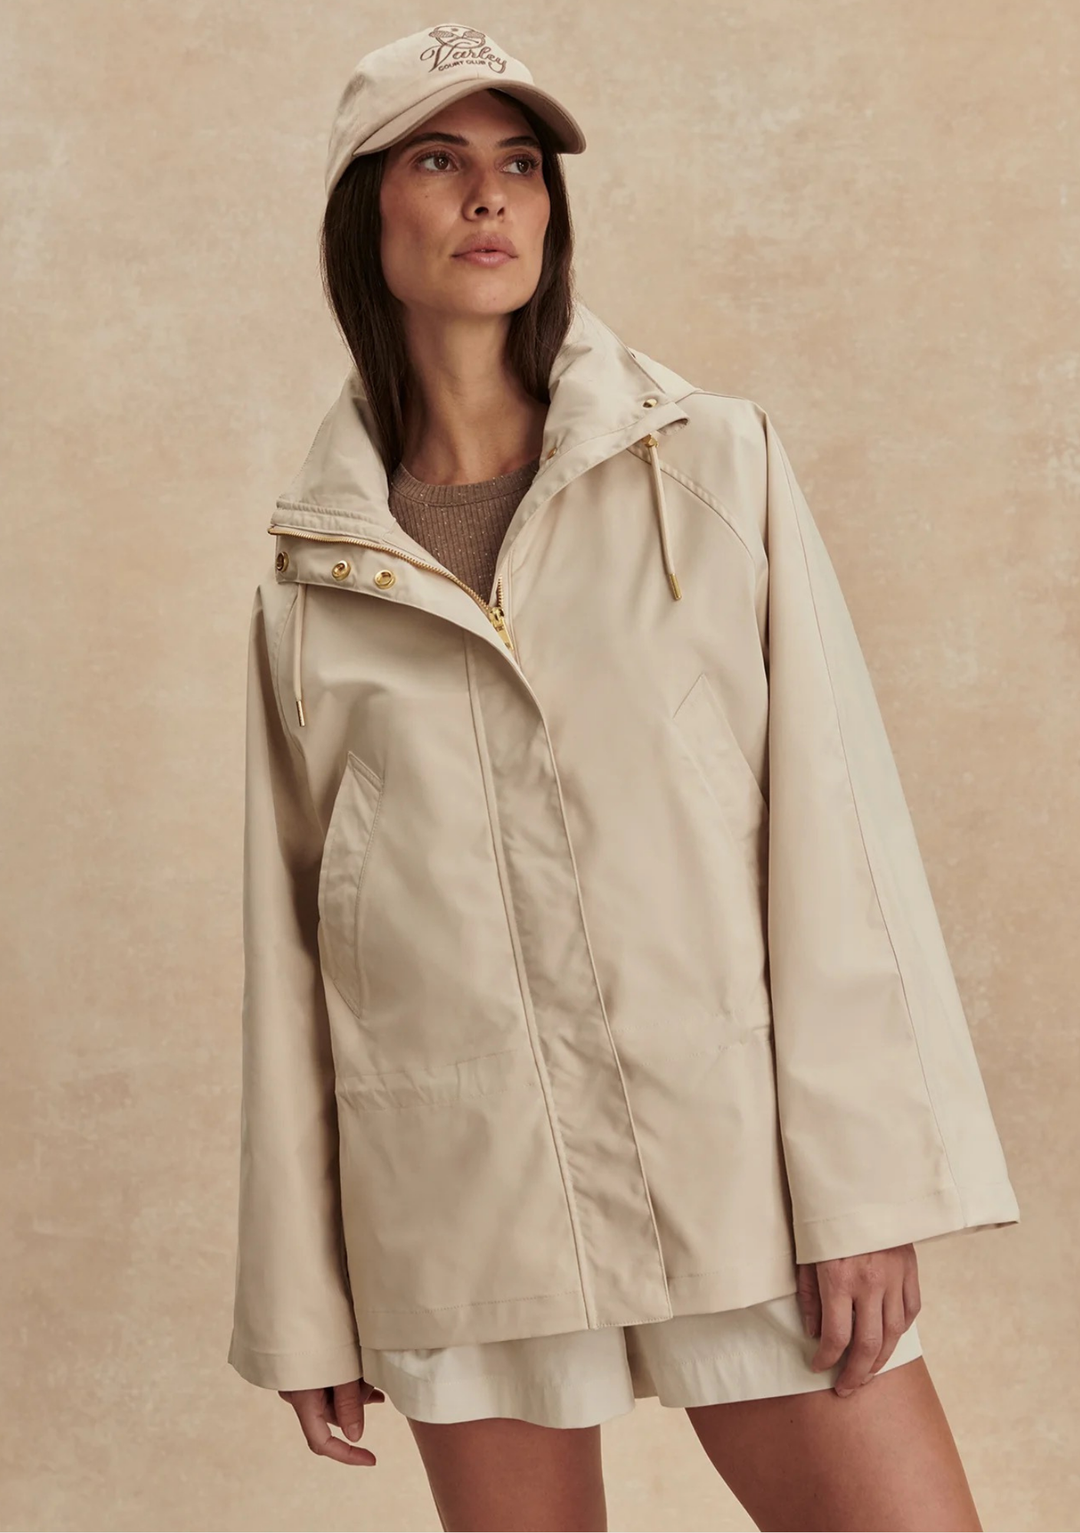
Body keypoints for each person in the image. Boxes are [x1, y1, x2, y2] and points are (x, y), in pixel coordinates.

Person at [227, 24, 1021, 1532]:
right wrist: (302, 1300)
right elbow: (290, 960)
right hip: (463, 1196)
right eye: (440, 162)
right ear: (364, 215)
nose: (489, 200)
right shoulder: (310, 583)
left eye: (518, 165)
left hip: (731, 1163)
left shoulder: (715, 469)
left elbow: (835, 840)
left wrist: (862, 1195)